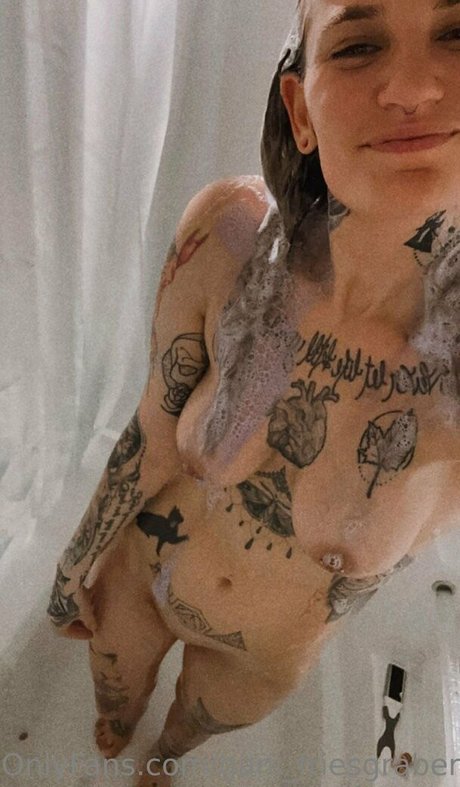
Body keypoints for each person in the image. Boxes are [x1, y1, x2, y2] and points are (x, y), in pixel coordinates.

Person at [47, 0, 460, 784]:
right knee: (112, 709)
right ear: (300, 112)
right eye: (359, 45)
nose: (412, 87)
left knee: (178, 736)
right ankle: (120, 728)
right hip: (140, 585)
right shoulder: (232, 237)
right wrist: (72, 570)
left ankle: (162, 757)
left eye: (457, 33)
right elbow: (151, 433)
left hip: (257, 664)